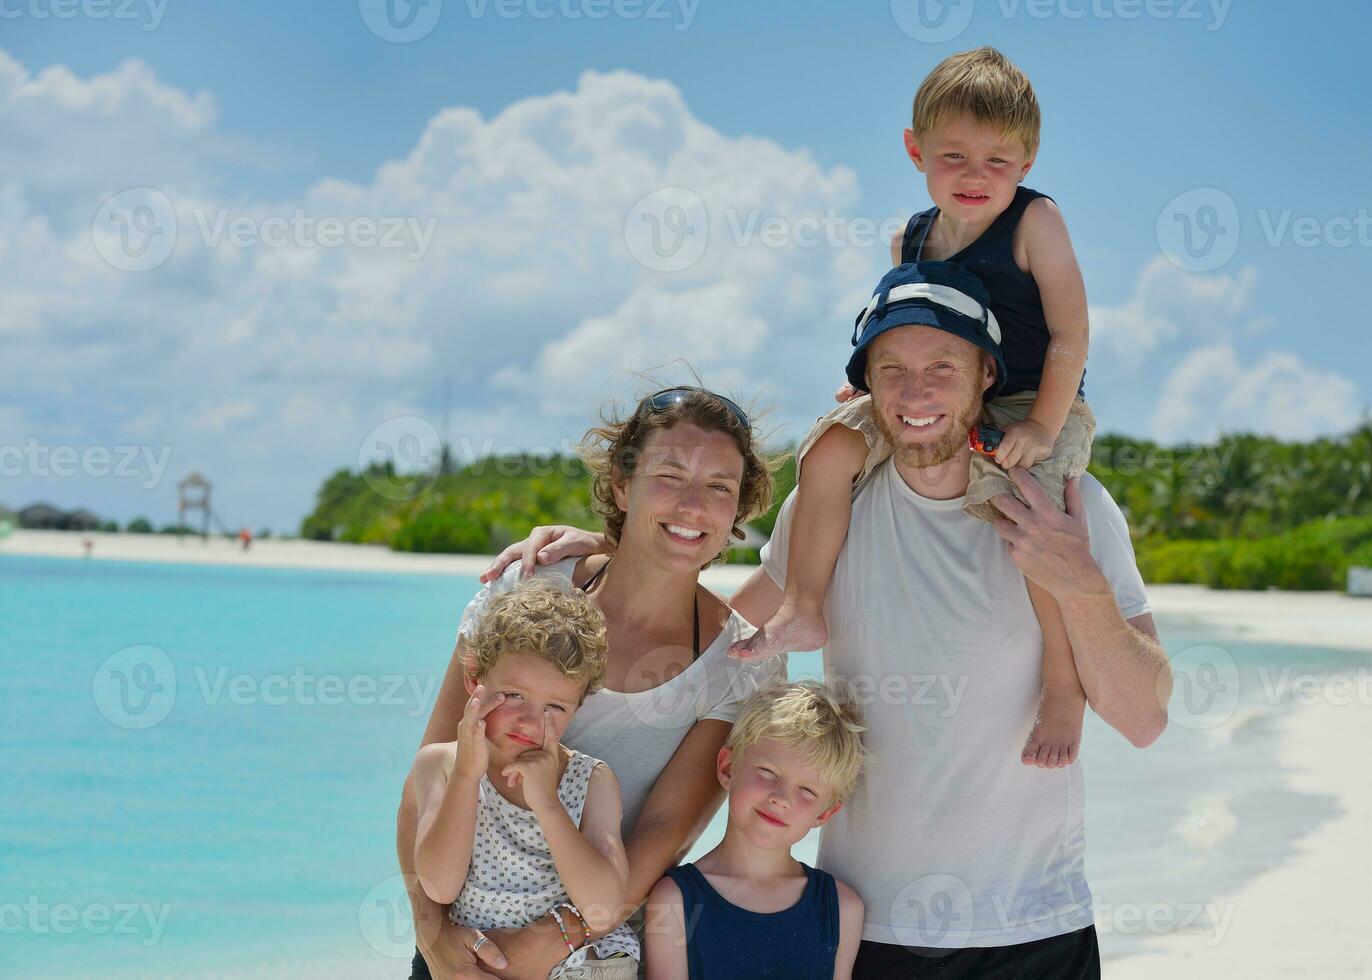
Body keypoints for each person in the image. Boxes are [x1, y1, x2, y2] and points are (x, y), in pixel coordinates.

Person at [496, 264, 1170, 978]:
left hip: (1033, 925)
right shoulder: (835, 505)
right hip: (866, 929)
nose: (915, 392)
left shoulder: (1069, 506)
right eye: (892, 369)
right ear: (864, 387)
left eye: (942, 366)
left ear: (984, 378)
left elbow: (1143, 720)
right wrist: (605, 548)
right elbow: (724, 627)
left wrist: (1082, 586)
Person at [730, 46, 1096, 771]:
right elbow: (907, 319)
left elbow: (1070, 333)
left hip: (1032, 396)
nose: (974, 176)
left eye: (998, 161)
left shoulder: (1036, 222)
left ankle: (1061, 683)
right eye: (953, 156)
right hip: (935, 390)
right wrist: (874, 388)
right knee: (828, 446)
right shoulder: (912, 236)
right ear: (913, 149)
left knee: (1029, 511)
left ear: (1027, 162)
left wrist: (1040, 427)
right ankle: (802, 602)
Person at [400, 386, 787, 980]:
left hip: (590, 957)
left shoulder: (743, 661)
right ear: (619, 485)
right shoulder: (526, 590)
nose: (692, 506)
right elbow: (430, 775)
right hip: (463, 947)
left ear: (737, 511)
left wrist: (549, 942)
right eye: (670, 475)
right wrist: (433, 940)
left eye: (719, 487)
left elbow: (663, 834)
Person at [410, 577, 640, 978]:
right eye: (514, 695)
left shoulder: (592, 780)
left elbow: (602, 908)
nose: (532, 721)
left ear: (579, 706)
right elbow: (439, 886)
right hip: (483, 963)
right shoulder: (440, 765)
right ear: (474, 678)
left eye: (555, 706)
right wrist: (466, 774)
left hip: (581, 967)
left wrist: (548, 804)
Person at [642, 681, 867, 980]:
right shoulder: (674, 900)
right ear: (728, 767)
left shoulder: (841, 909)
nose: (782, 798)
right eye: (768, 772)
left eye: (807, 790)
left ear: (825, 813)